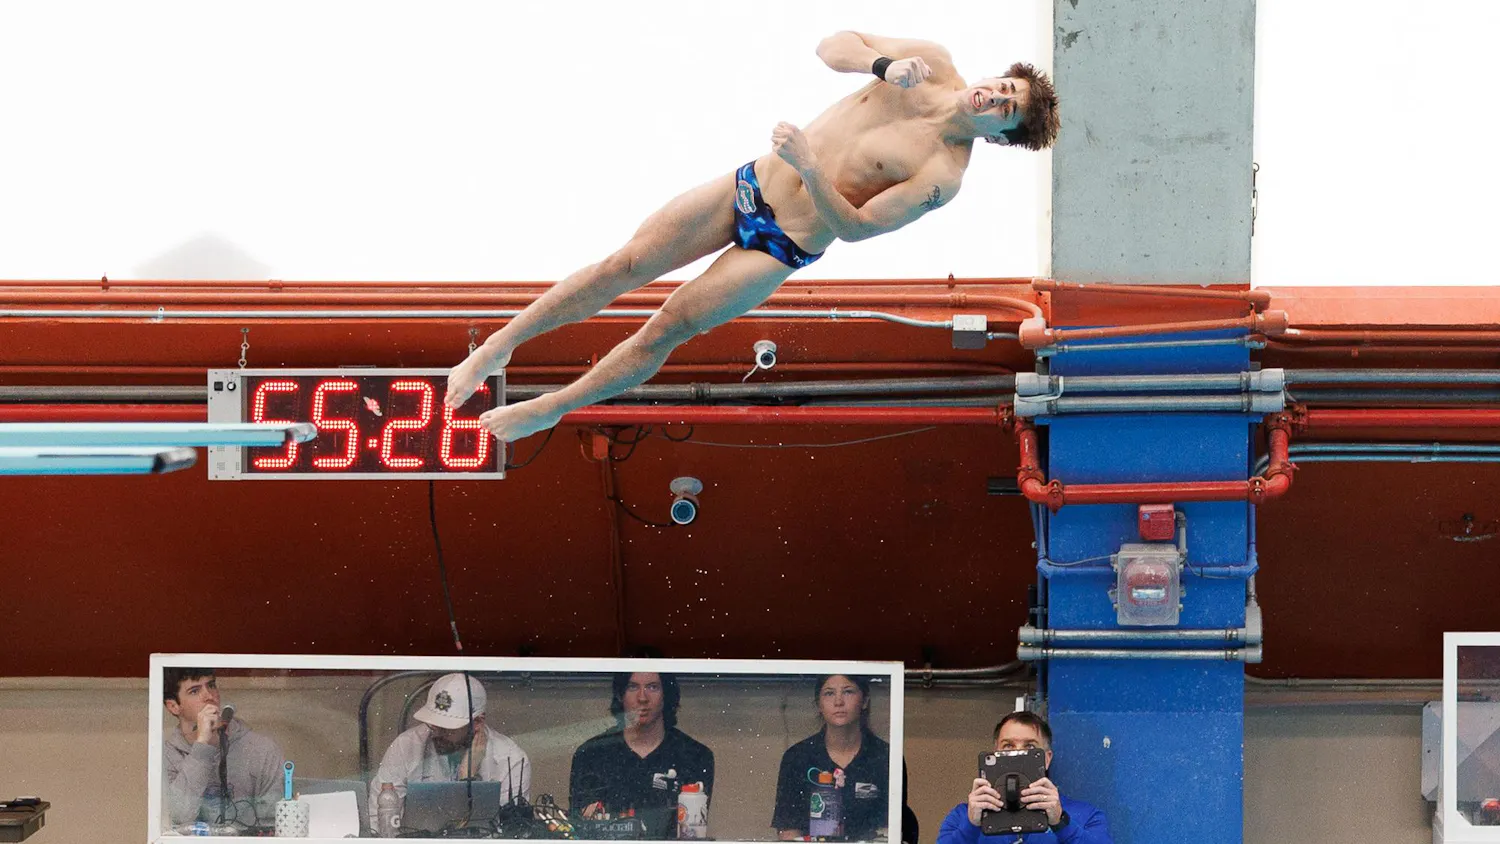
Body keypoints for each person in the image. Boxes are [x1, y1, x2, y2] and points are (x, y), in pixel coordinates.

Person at [445, 31, 1059, 442]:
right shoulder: (928, 63)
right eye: (1007, 88)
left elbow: (860, 229)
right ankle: (496, 346)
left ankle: (554, 406)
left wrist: (813, 170)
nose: (997, 98)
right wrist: (882, 65)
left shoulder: (942, 175)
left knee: (668, 326)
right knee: (623, 265)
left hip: (780, 245)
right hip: (749, 184)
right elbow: (831, 46)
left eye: (1008, 110)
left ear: (1000, 135)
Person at [369, 673, 530, 828]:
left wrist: (468, 779)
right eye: (433, 724)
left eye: (446, 728)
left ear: (478, 722)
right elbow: (379, 822)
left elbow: (509, 832)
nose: (436, 733)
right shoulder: (406, 745)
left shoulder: (511, 759)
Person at [569, 671, 715, 839]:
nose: (642, 698)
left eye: (652, 687)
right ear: (620, 694)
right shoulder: (590, 754)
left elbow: (692, 834)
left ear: (666, 693)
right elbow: (580, 831)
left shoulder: (695, 755)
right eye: (632, 687)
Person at [935, 711, 1112, 844]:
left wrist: (1060, 823)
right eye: (1008, 746)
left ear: (1047, 758)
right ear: (995, 753)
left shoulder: (1087, 816)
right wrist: (971, 825)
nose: (1018, 753)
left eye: (1030, 746)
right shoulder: (962, 816)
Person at [773, 675, 898, 841]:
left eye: (848, 692)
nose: (838, 702)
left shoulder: (886, 757)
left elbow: (891, 830)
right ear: (819, 704)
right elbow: (788, 830)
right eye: (829, 693)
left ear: (865, 701)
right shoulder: (797, 757)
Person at [160, 667, 285, 830]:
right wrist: (202, 746)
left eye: (211, 685)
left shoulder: (262, 749)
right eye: (194, 691)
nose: (209, 696)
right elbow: (177, 816)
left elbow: (274, 824)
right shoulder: (166, 756)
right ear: (173, 706)